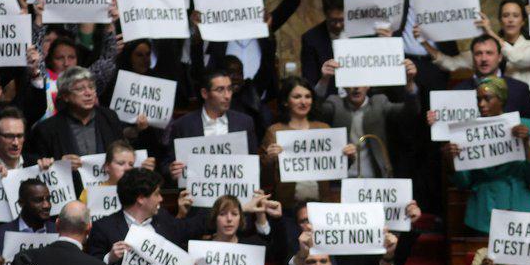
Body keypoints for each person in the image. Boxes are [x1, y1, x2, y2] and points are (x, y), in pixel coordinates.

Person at [444, 76, 530, 235]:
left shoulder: (524, 126)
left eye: (487, 98)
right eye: (478, 99)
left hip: (519, 207)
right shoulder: (469, 133)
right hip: (482, 213)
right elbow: (464, 183)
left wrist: (527, 144)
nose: (481, 104)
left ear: (501, 99)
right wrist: (452, 160)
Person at [315, 59, 419, 178]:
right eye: (351, 82)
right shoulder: (335, 103)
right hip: (341, 178)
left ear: (368, 85)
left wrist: (410, 82)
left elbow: (410, 111)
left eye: (361, 82)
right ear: (343, 85)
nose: (356, 87)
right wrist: (324, 79)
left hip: (375, 178)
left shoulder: (380, 103)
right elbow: (315, 110)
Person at [28, 66, 148, 160]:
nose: (88, 93)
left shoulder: (109, 117)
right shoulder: (48, 128)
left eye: (91, 87)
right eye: (80, 89)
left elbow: (122, 151)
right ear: (65, 96)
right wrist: (60, 164)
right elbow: (39, 163)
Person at [162, 69, 259, 185]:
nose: (227, 96)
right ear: (204, 93)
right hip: (198, 197)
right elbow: (166, 165)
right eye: (220, 90)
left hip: (235, 195)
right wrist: (171, 170)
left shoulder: (245, 123)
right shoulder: (183, 125)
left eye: (229, 89)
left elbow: (254, 163)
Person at [260, 77, 333, 208]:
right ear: (285, 101)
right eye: (297, 97)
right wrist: (269, 160)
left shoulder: (324, 129)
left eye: (308, 96)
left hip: (322, 205)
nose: (303, 102)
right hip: (287, 206)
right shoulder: (275, 131)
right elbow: (264, 178)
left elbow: (336, 169)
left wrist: (348, 156)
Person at [448, 35, 530, 122]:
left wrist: (524, 128)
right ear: (473, 58)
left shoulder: (520, 89)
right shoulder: (458, 91)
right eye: (478, 54)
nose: (484, 58)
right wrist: (436, 123)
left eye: (489, 53)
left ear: (500, 57)